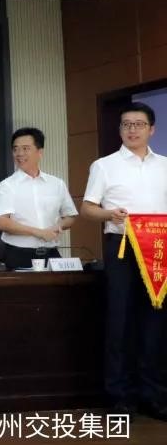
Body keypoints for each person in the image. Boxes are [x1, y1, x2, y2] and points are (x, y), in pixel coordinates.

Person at [81, 102, 167, 420]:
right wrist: (109, 214)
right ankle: (121, 396)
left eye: (138, 124)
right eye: (126, 124)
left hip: (158, 248)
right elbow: (87, 208)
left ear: (152, 129)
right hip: (122, 247)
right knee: (120, 320)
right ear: (119, 130)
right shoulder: (104, 166)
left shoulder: (164, 165)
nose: (132, 130)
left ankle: (154, 395)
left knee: (156, 321)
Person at [0, 127, 77, 270]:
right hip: (19, 253)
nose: (19, 154)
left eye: (25, 149)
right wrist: (39, 232)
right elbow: (2, 222)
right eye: (15, 149)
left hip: (51, 253)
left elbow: (70, 216)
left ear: (40, 152)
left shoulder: (56, 183)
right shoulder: (7, 185)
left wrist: (57, 227)